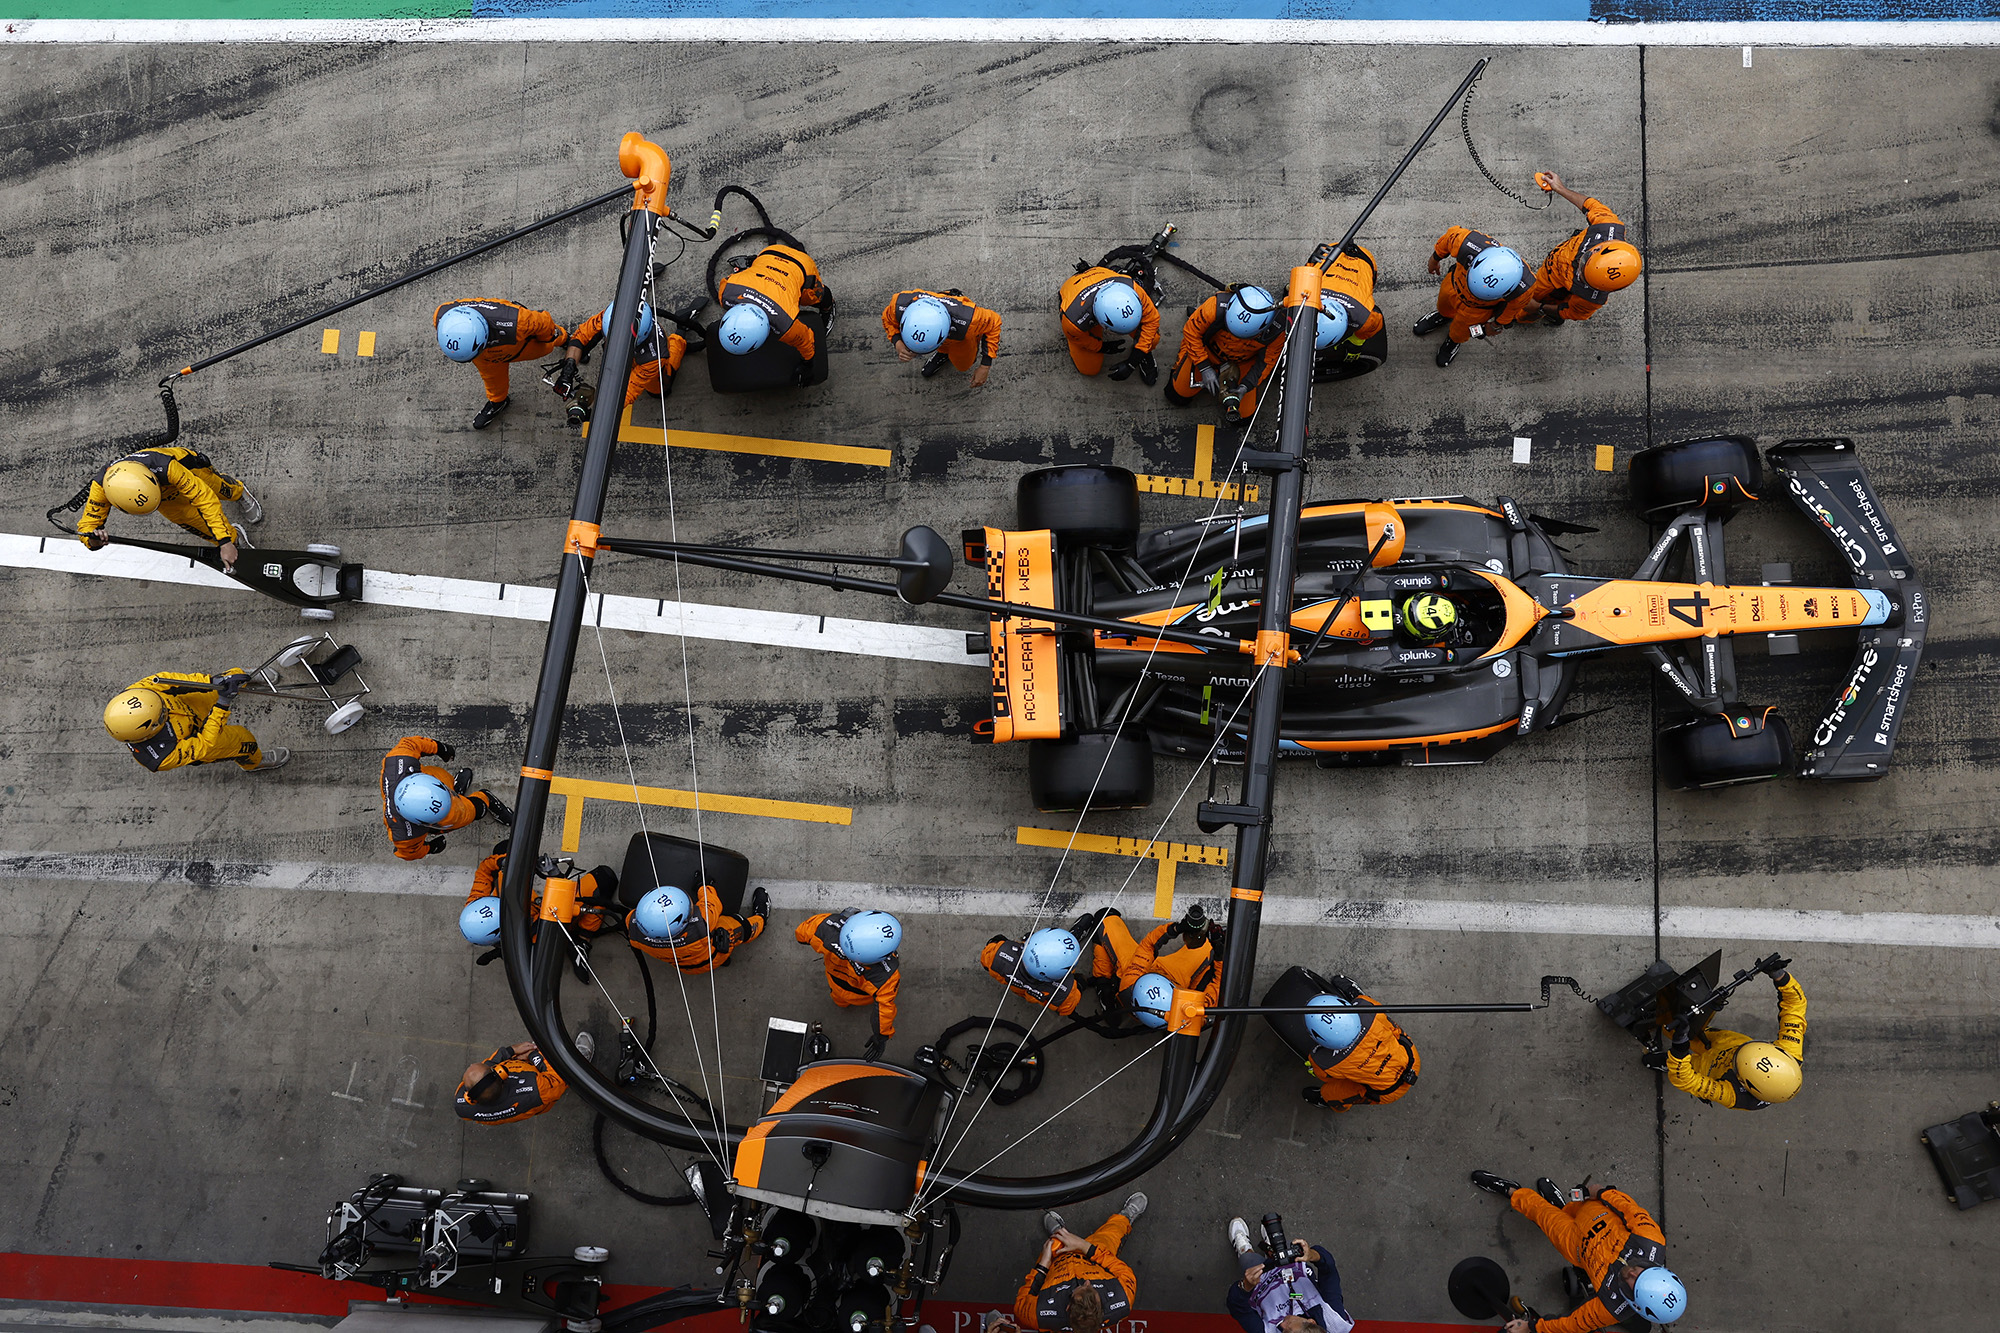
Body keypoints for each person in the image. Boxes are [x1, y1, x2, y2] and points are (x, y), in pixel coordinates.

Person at [1470, 1171, 1686, 1330]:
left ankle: (1511, 1190)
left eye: (1633, 1285)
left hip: (1573, 1244)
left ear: (1635, 1305)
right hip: (1592, 1210)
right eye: (1643, 1271)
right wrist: (1601, 1192)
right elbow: (1626, 1207)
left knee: (1539, 1213)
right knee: (1570, 1207)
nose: (1632, 1272)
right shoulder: (1651, 1240)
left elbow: (1572, 1324)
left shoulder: (1611, 1308)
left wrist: (1532, 1328)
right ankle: (1562, 1205)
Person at [74, 445, 261, 572]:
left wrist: (224, 541)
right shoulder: (101, 488)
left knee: (221, 489)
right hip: (166, 502)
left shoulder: (164, 465)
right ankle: (235, 539)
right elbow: (86, 528)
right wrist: (93, 542)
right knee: (205, 529)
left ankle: (239, 492)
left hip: (188, 472)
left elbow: (204, 498)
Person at [1506, 173, 1642, 329]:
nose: (1578, 268)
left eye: (1584, 277)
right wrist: (1559, 188)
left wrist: (1538, 308)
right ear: (1599, 248)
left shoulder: (1590, 298)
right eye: (1584, 263)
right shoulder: (1607, 225)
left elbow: (1570, 312)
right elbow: (1589, 205)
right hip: (1553, 266)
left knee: (1524, 309)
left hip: (1552, 286)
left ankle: (1523, 318)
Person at [1668, 958, 1807, 1109]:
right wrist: (1780, 975)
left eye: (1737, 1062)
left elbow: (1685, 1080)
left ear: (1743, 1082)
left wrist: (1679, 1047)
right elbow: (1795, 1007)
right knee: (1688, 1028)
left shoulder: (1734, 1095)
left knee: (1674, 1060)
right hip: (1724, 1042)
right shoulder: (1789, 1052)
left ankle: (1661, 1062)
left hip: (1707, 1069)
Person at [102, 669, 288, 773]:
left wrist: (213, 682)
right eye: (162, 714)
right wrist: (223, 704)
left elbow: (173, 681)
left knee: (232, 676)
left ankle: (246, 678)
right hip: (199, 737)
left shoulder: (137, 694)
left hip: (187, 705)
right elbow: (206, 743)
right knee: (244, 740)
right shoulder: (161, 757)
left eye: (161, 704)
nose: (165, 708)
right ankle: (254, 762)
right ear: (149, 732)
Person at [550, 300, 695, 428]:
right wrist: (568, 369)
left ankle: (680, 333)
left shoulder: (654, 356)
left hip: (647, 364)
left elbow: (629, 391)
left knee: (660, 389)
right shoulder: (613, 314)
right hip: (636, 353)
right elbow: (580, 337)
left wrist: (599, 415)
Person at [1014, 1193, 1147, 1332]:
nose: (1087, 1283)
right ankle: (1127, 1215)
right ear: (1101, 1308)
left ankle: (1058, 1232)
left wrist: (1042, 1266)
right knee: (1112, 1233)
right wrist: (1084, 1246)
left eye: (1082, 1288)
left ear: (1067, 1307)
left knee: (1053, 1245)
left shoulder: (1037, 1316)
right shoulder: (1123, 1300)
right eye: (1092, 1289)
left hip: (1059, 1263)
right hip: (1095, 1257)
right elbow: (1122, 1270)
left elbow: (1021, 1302)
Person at [459, 841, 619, 952]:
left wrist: (503, 862)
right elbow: (562, 909)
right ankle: (583, 940)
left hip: (534, 905)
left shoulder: (474, 908)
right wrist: (557, 878)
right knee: (604, 878)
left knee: (506, 848)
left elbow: (484, 871)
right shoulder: (537, 938)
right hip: (552, 913)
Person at [434, 299, 567, 429]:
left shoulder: (518, 322)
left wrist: (550, 338)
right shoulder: (441, 318)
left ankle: (569, 340)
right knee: (492, 381)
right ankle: (498, 402)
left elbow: (543, 323)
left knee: (548, 346)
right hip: (487, 360)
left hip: (518, 347)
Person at [1412, 228, 1535, 368]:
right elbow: (1448, 239)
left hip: (1477, 311)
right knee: (1443, 306)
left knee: (1462, 332)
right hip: (1453, 287)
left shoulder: (1524, 290)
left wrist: (1496, 325)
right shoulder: (1467, 242)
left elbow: (1512, 309)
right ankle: (1443, 315)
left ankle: (1453, 341)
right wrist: (1435, 258)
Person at [379, 735, 511, 862]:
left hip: (440, 781)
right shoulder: (405, 835)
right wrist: (429, 848)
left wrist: (441, 748)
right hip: (447, 807)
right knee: (477, 810)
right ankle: (485, 798)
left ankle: (455, 791)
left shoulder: (396, 762)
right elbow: (408, 853)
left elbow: (412, 743)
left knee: (451, 787)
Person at [1164, 285, 1286, 419]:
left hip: (1243, 363)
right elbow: (1191, 332)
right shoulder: (1214, 307)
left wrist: (1246, 386)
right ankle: (1184, 358)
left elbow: (1266, 363)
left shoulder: (1277, 331)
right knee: (1176, 396)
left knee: (1243, 417)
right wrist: (1204, 367)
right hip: (1208, 354)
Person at [795, 908, 901, 1060]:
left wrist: (840, 919)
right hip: (861, 997)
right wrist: (881, 1036)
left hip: (836, 986)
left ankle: (842, 1004)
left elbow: (801, 933)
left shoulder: (826, 926)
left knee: (839, 1001)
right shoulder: (887, 976)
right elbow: (883, 1011)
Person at [1297, 980, 1420, 1111]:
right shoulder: (1367, 1007)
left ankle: (1330, 1102)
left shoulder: (1324, 1060)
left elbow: (1324, 1077)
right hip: (1411, 1061)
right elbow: (1390, 1026)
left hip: (1385, 1092)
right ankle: (1355, 996)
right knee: (1394, 1030)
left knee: (1332, 1093)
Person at [1224, 1217, 1354, 1333]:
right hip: (1294, 1270)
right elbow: (1328, 1269)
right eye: (1289, 1327)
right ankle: (1273, 1250)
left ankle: (1245, 1249)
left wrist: (1244, 1287)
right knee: (1282, 1252)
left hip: (1262, 1281)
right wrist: (1311, 1255)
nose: (1282, 1325)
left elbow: (1238, 1308)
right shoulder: (1335, 1318)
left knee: (1248, 1260)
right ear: (1311, 1322)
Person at [714, 242, 827, 366]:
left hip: (802, 265)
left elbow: (806, 341)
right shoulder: (726, 292)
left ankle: (828, 306)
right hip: (769, 253)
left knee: (814, 297)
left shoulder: (787, 326)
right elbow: (734, 278)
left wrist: (808, 362)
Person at [629, 883, 770, 974]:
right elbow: (712, 902)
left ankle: (723, 961)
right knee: (739, 926)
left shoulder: (634, 932)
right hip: (714, 956)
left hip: (686, 968)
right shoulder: (702, 922)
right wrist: (703, 887)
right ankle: (761, 920)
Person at [454, 1034, 594, 1125]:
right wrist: (534, 1055)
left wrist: (509, 1052)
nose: (472, 1064)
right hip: (545, 1084)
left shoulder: (462, 1104)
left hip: (520, 1071)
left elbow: (489, 1064)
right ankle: (578, 1062)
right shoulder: (535, 1091)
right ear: (501, 1074)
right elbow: (557, 1077)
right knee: (564, 1071)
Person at [1057, 267, 1160, 383]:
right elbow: (1079, 338)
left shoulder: (1134, 289)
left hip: (1099, 274)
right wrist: (1100, 346)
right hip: (1074, 287)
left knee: (1153, 338)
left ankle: (1143, 352)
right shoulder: (1073, 321)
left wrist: (1134, 361)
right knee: (1090, 368)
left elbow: (1151, 321)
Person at [882, 288, 1002, 388]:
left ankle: (955, 296)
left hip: (960, 337)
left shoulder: (970, 321)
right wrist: (897, 341)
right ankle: (943, 352)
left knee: (963, 365)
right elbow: (888, 319)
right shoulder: (897, 306)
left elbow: (994, 322)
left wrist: (985, 365)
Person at [1305, 242, 1388, 384]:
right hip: (1331, 252)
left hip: (1365, 262)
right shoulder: (1306, 294)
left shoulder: (1366, 317)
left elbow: (1375, 324)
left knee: (1366, 292)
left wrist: (1355, 343)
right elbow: (1306, 273)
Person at [981, 925, 1091, 1017]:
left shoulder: (995, 956)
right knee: (1080, 982)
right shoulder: (1065, 994)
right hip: (1042, 992)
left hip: (1017, 986)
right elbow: (1067, 1009)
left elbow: (986, 958)